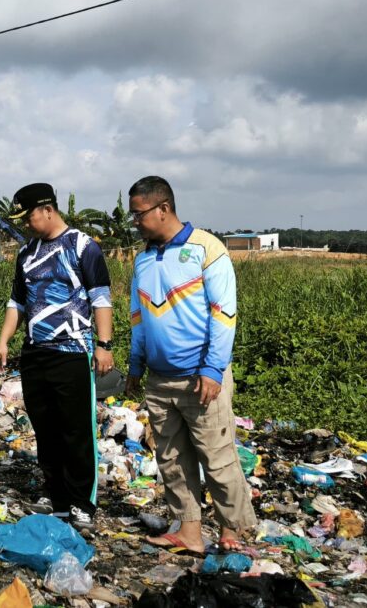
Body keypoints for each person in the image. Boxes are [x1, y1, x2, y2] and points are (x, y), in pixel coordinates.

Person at [124, 175, 257, 552]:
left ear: (163, 208)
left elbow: (224, 313)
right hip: (160, 378)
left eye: (139, 214)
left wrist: (214, 368)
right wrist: (136, 365)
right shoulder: (144, 258)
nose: (135, 222)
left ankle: (233, 529)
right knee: (172, 460)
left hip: (200, 377)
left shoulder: (206, 249)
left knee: (216, 457)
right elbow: (139, 315)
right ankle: (190, 532)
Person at [0, 183, 113, 533]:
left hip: (72, 352)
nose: (27, 224)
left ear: (47, 209)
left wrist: (104, 345)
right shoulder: (27, 253)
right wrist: (4, 341)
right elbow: (17, 302)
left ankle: (82, 502)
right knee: (44, 427)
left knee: (75, 428)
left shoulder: (83, 246)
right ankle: (55, 494)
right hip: (35, 353)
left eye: (29, 216)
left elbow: (101, 299)